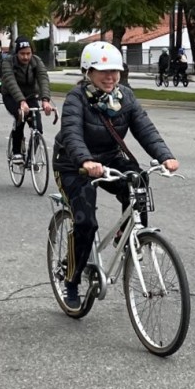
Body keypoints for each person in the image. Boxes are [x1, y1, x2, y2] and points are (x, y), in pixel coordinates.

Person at [52, 42, 180, 309]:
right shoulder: (76, 98)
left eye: (115, 71)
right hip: (73, 164)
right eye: (103, 71)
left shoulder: (125, 96)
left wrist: (164, 155)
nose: (110, 77)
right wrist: (85, 160)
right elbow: (72, 133)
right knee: (86, 223)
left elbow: (145, 128)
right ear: (88, 71)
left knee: (139, 179)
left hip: (109, 157)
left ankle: (130, 232)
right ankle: (72, 280)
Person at [0, 39, 54, 160]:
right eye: (22, 54)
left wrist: (45, 100)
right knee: (21, 116)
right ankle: (16, 152)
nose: (26, 57)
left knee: (38, 127)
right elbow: (11, 82)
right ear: (16, 53)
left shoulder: (36, 61)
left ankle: (31, 158)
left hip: (30, 95)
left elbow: (43, 79)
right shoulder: (8, 62)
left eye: (28, 53)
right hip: (11, 96)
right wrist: (21, 102)